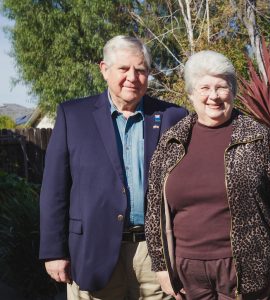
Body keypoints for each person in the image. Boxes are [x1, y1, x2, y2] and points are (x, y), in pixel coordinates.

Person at [39, 35, 187, 299]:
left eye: (141, 70)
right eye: (124, 69)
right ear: (104, 69)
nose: (133, 77)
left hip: (155, 253)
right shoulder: (73, 116)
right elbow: (54, 189)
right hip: (92, 248)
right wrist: (54, 251)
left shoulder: (172, 117)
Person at [145, 50, 270, 300]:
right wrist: (161, 267)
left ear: (233, 92)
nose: (213, 96)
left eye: (221, 87)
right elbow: (154, 206)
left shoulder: (257, 137)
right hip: (188, 273)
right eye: (204, 87)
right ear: (191, 94)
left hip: (247, 268)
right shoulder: (172, 142)